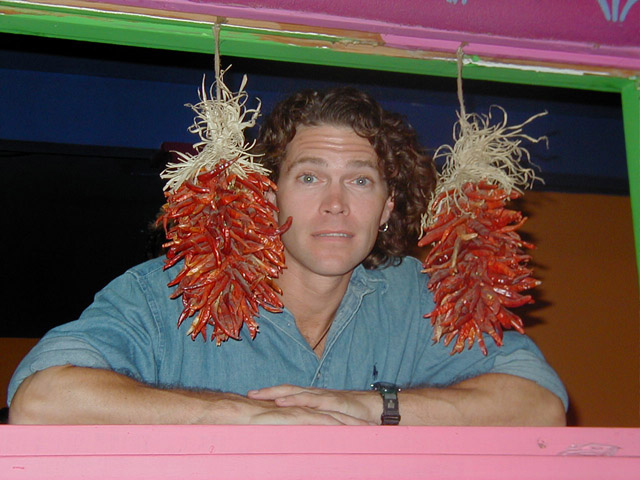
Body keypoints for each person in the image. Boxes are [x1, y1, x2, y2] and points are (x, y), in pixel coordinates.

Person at [8, 87, 567, 425]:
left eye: (360, 180)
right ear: (267, 195)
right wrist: (239, 414)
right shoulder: (166, 293)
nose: (335, 204)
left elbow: (539, 405)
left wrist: (373, 406)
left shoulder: (420, 297)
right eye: (309, 177)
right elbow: (41, 399)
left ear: (387, 208)